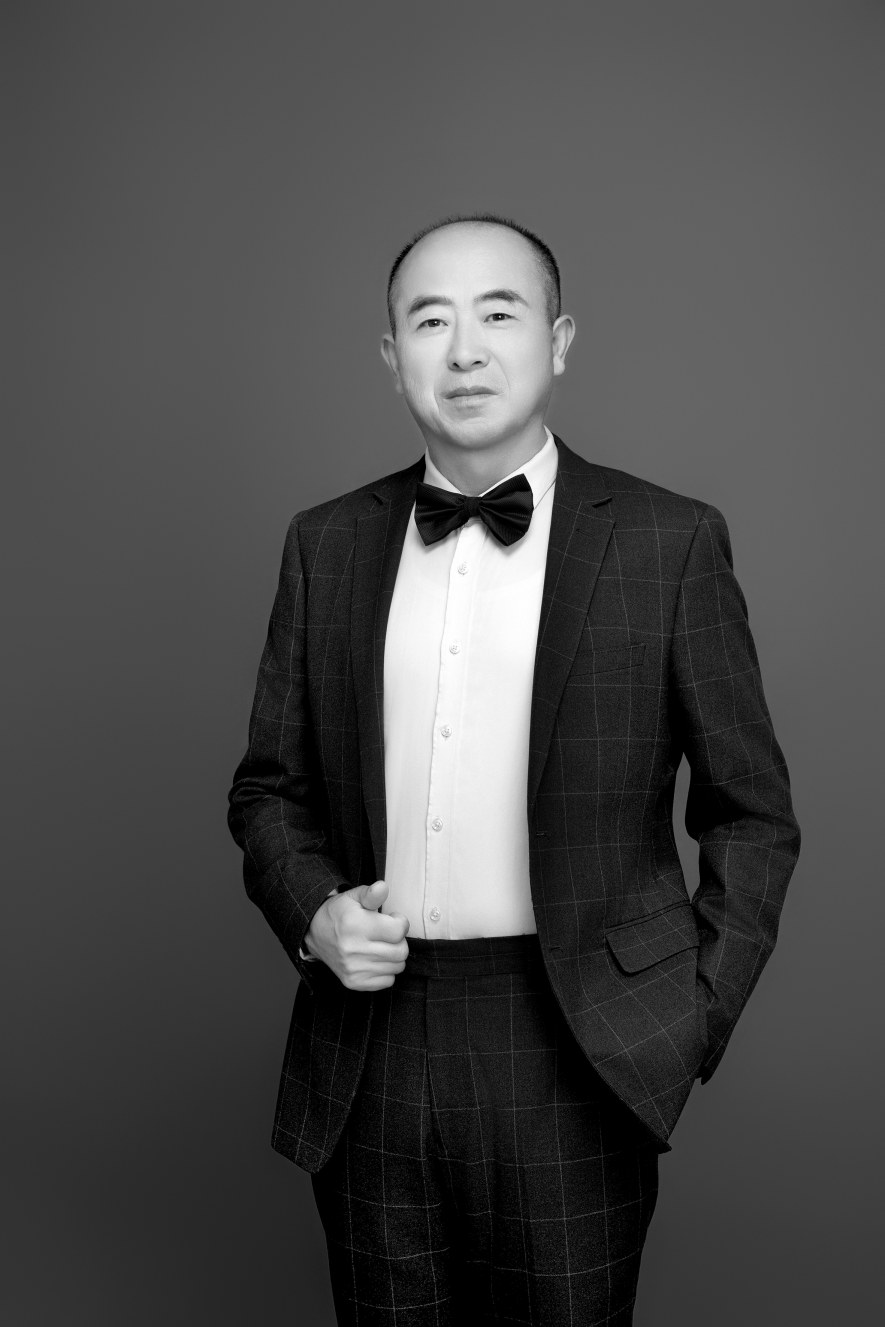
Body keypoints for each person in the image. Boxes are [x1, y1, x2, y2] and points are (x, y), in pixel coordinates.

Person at [227, 212, 800, 1325]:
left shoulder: (669, 541)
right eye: (429, 321)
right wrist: (313, 914)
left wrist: (688, 1017)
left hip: (580, 1040)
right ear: (391, 355)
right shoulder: (325, 543)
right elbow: (267, 790)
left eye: (499, 314)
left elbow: (753, 814)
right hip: (373, 1044)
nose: (465, 350)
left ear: (559, 340)